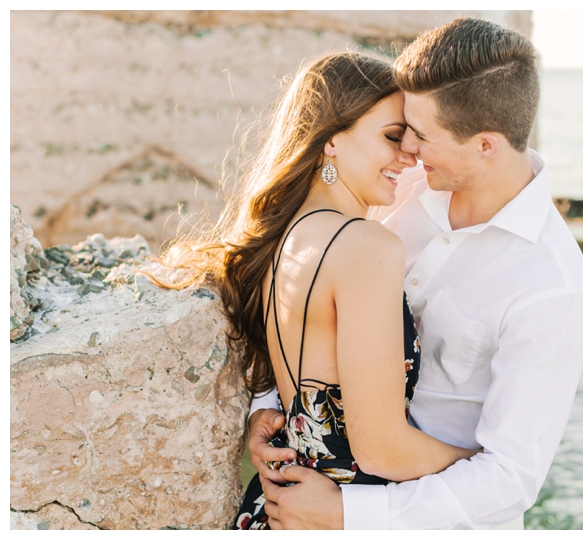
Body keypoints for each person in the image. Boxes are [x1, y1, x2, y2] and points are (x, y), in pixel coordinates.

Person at [248, 17, 583, 530]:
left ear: (486, 145)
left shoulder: (552, 288)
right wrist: (271, 409)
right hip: (315, 487)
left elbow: (510, 479)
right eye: (401, 128)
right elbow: (310, 296)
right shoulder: (400, 183)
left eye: (422, 134)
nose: (408, 147)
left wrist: (350, 513)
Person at [149, 51, 484, 530]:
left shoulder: (281, 238)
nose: (409, 153)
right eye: (392, 137)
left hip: (280, 505)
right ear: (330, 141)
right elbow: (382, 449)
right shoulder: (366, 246)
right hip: (336, 513)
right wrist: (485, 465)